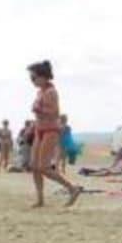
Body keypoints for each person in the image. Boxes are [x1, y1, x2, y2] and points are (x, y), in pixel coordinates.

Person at [26, 60, 82, 208]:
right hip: (40, 130)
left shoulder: (51, 92)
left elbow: (55, 113)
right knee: (34, 166)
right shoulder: (40, 92)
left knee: (44, 167)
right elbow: (40, 114)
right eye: (31, 78)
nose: (32, 81)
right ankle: (40, 199)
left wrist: (39, 110)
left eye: (34, 77)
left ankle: (72, 188)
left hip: (50, 130)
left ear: (43, 77)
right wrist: (33, 124)